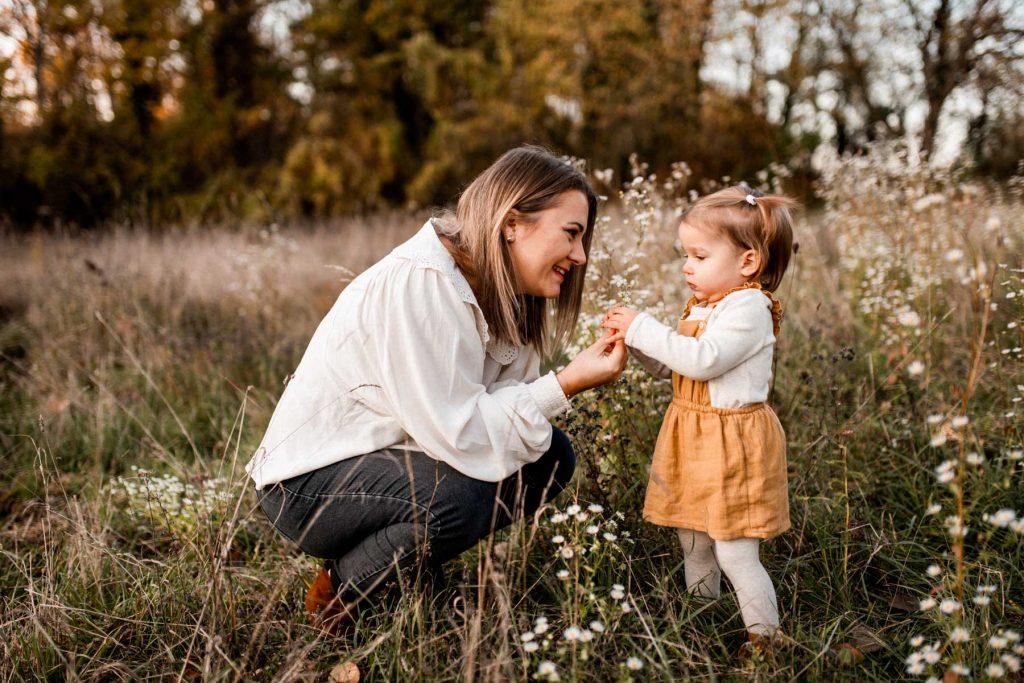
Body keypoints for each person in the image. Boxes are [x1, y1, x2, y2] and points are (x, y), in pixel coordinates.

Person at [247, 145, 627, 633]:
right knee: (463, 495)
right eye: (572, 234)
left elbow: (498, 430)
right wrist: (567, 382)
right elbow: (462, 433)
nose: (580, 256)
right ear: (512, 223)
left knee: (548, 458)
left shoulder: (509, 296)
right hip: (305, 486)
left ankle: (401, 566)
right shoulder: (422, 283)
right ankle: (343, 592)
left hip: (389, 459)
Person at [602, 186, 797, 651]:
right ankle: (703, 614)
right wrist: (634, 346)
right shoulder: (707, 305)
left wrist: (644, 326)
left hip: (732, 442)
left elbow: (704, 360)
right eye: (684, 255)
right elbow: (678, 366)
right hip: (693, 433)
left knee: (733, 547)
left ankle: (765, 637)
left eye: (699, 255)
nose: (687, 266)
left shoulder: (749, 306)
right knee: (693, 537)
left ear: (747, 262)